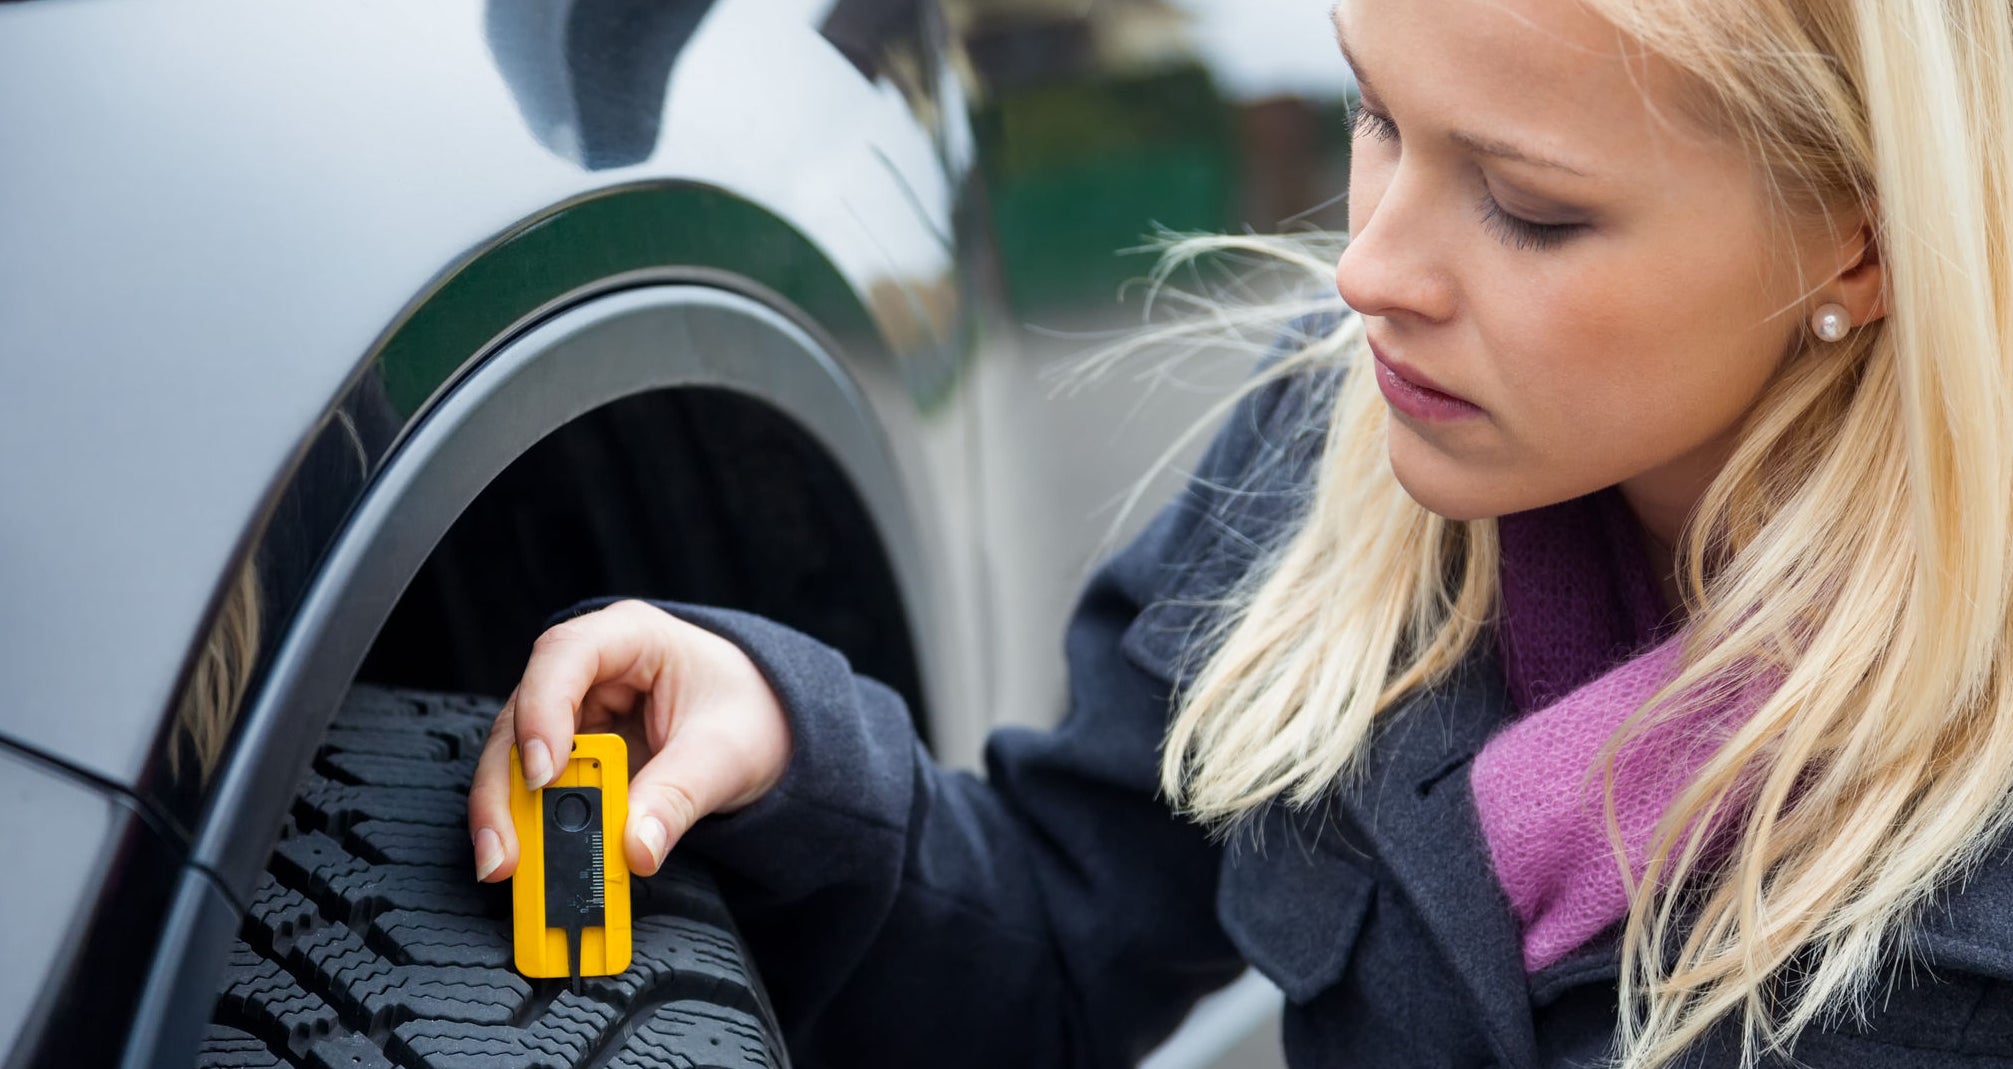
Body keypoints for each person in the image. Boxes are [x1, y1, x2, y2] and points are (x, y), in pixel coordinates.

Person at [466, 0, 2013, 1064]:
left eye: (1528, 208)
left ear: (1858, 236)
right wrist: (789, 753)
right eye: (1376, 115)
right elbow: (1061, 946)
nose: (1366, 270)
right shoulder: (1337, 459)